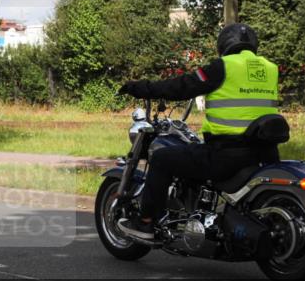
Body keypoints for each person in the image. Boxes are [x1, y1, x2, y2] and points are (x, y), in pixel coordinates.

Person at [116, 23, 279, 240]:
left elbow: (183, 86)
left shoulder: (223, 66)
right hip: (264, 154)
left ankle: (145, 223)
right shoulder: (271, 68)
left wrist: (142, 88)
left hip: (225, 156)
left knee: (162, 158)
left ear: (224, 44)